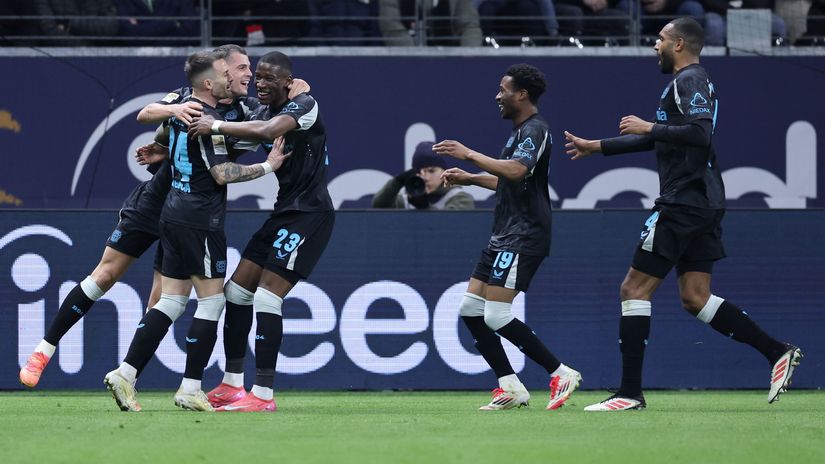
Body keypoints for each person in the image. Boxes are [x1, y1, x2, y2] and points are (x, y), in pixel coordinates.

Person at [563, 17, 802, 411]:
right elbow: (666, 138)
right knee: (695, 297)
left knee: (633, 289)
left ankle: (628, 394)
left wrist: (648, 127)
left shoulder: (689, 80)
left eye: (659, 39)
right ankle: (776, 351)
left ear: (678, 45)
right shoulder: (691, 81)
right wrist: (597, 146)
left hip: (684, 201)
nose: (654, 46)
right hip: (703, 200)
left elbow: (699, 132)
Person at [17, 44, 267, 390]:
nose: (245, 75)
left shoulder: (247, 109)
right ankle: (44, 349)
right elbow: (149, 112)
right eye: (239, 68)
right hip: (156, 201)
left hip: (187, 210)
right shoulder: (187, 97)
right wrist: (173, 120)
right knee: (105, 274)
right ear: (217, 75)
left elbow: (267, 128)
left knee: (161, 299)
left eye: (245, 69)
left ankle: (127, 375)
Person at [103, 50, 286, 413]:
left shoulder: (181, 109)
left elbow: (156, 125)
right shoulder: (207, 118)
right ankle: (190, 387)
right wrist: (268, 165)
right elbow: (222, 174)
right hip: (201, 218)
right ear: (209, 82)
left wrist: (160, 148)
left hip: (172, 212)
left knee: (171, 301)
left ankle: (126, 373)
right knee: (212, 300)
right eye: (225, 73)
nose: (229, 79)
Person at [188, 51, 333, 412]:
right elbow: (250, 131)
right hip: (284, 212)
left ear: (287, 81)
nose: (260, 83)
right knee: (236, 293)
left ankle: (263, 395)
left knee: (269, 297)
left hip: (310, 215)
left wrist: (216, 126)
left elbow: (268, 132)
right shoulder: (262, 110)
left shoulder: (305, 105)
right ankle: (233, 384)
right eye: (258, 78)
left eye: (269, 78)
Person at [434, 64, 582, 411]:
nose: (497, 96)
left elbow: (517, 170)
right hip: (504, 233)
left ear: (522, 94)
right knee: (471, 309)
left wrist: (468, 153)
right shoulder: (518, 133)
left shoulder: (535, 129)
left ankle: (561, 372)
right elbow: (510, 180)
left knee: (497, 314)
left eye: (503, 90)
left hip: (524, 233)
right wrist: (470, 179)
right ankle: (510, 386)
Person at [372, 141, 475, 210]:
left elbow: (455, 230)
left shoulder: (460, 198)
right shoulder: (405, 199)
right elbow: (379, 208)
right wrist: (396, 182)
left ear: (444, 171)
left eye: (431, 171)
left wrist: (424, 207)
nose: (425, 178)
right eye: (420, 172)